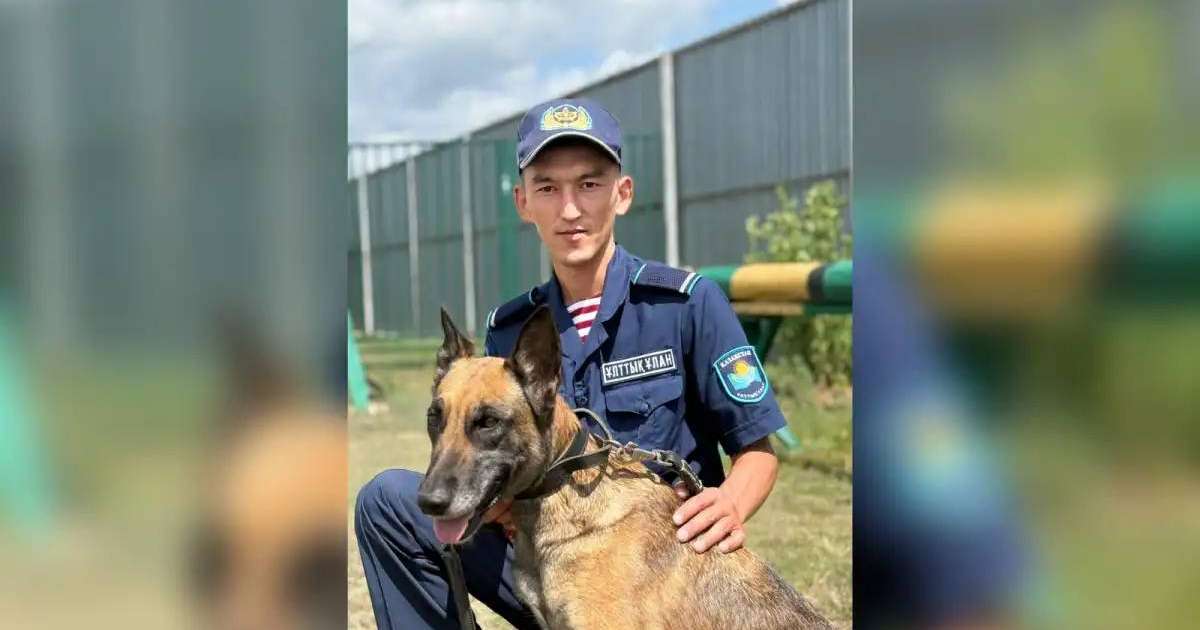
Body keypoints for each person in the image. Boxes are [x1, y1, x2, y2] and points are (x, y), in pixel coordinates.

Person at [355, 97, 789, 630]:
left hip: (645, 567)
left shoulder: (686, 304)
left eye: (589, 184)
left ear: (622, 194)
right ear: (522, 202)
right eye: (547, 188)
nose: (569, 209)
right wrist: (492, 499)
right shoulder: (510, 329)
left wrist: (729, 503)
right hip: (536, 553)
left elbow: (758, 450)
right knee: (387, 503)